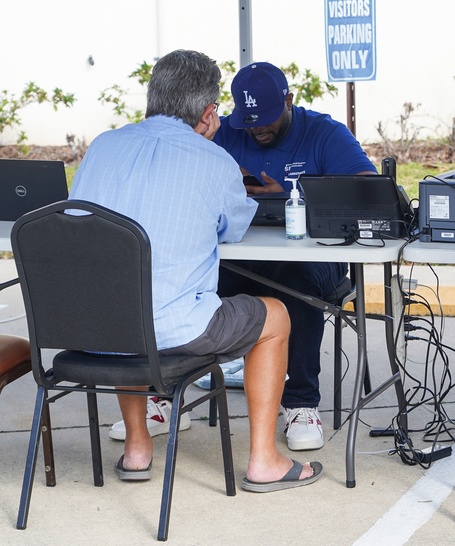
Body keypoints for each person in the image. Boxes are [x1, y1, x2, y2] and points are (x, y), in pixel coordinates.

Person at [72, 49, 321, 491]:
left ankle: (137, 449)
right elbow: (233, 228)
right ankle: (264, 460)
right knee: (275, 316)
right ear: (208, 115)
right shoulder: (215, 161)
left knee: (123, 298)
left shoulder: (102, 146)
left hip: (96, 325)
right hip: (175, 332)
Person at [109, 61, 377, 451]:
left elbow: (367, 192)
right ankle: (165, 396)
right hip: (234, 254)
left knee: (293, 286)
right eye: (247, 120)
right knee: (178, 283)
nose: (256, 129)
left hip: (310, 256)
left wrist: (289, 196)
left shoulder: (324, 132)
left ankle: (301, 403)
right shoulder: (222, 135)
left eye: (266, 118)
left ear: (289, 100)